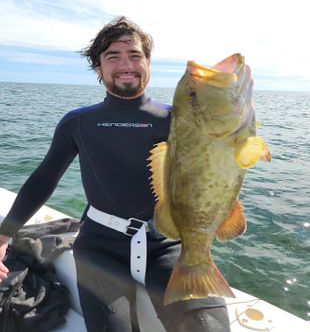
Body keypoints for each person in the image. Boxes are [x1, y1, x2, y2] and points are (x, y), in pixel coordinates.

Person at [0, 17, 231, 332]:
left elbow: (219, 156)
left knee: (208, 326)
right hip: (98, 247)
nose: (126, 64)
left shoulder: (177, 121)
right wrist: (3, 236)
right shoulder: (78, 122)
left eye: (135, 56)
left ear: (148, 63)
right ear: (98, 68)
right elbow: (44, 178)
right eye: (113, 57)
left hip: (166, 243)